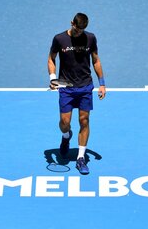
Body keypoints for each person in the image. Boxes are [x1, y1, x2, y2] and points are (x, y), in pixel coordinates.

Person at [47, 12, 106, 175]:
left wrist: (102, 84)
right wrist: (53, 78)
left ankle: (80, 158)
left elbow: (96, 60)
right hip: (66, 86)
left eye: (82, 31)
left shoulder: (91, 38)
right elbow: (51, 59)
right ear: (72, 23)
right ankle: (66, 136)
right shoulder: (59, 39)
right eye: (77, 29)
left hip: (85, 86)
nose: (79, 33)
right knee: (64, 122)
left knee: (84, 120)